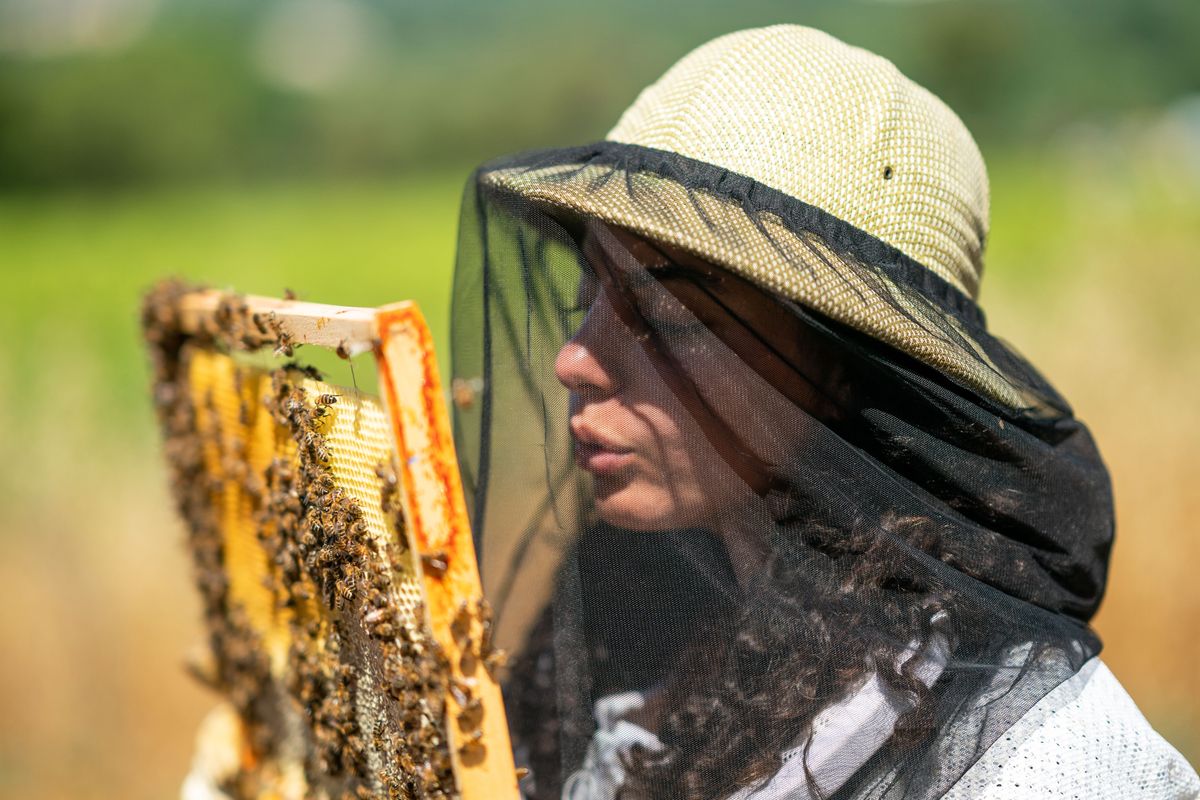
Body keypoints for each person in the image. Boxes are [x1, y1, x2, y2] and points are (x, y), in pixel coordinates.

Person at [450, 24, 1200, 800]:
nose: (574, 358)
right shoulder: (637, 646)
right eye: (589, 296)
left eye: (668, 312)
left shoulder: (1054, 768)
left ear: (846, 368)